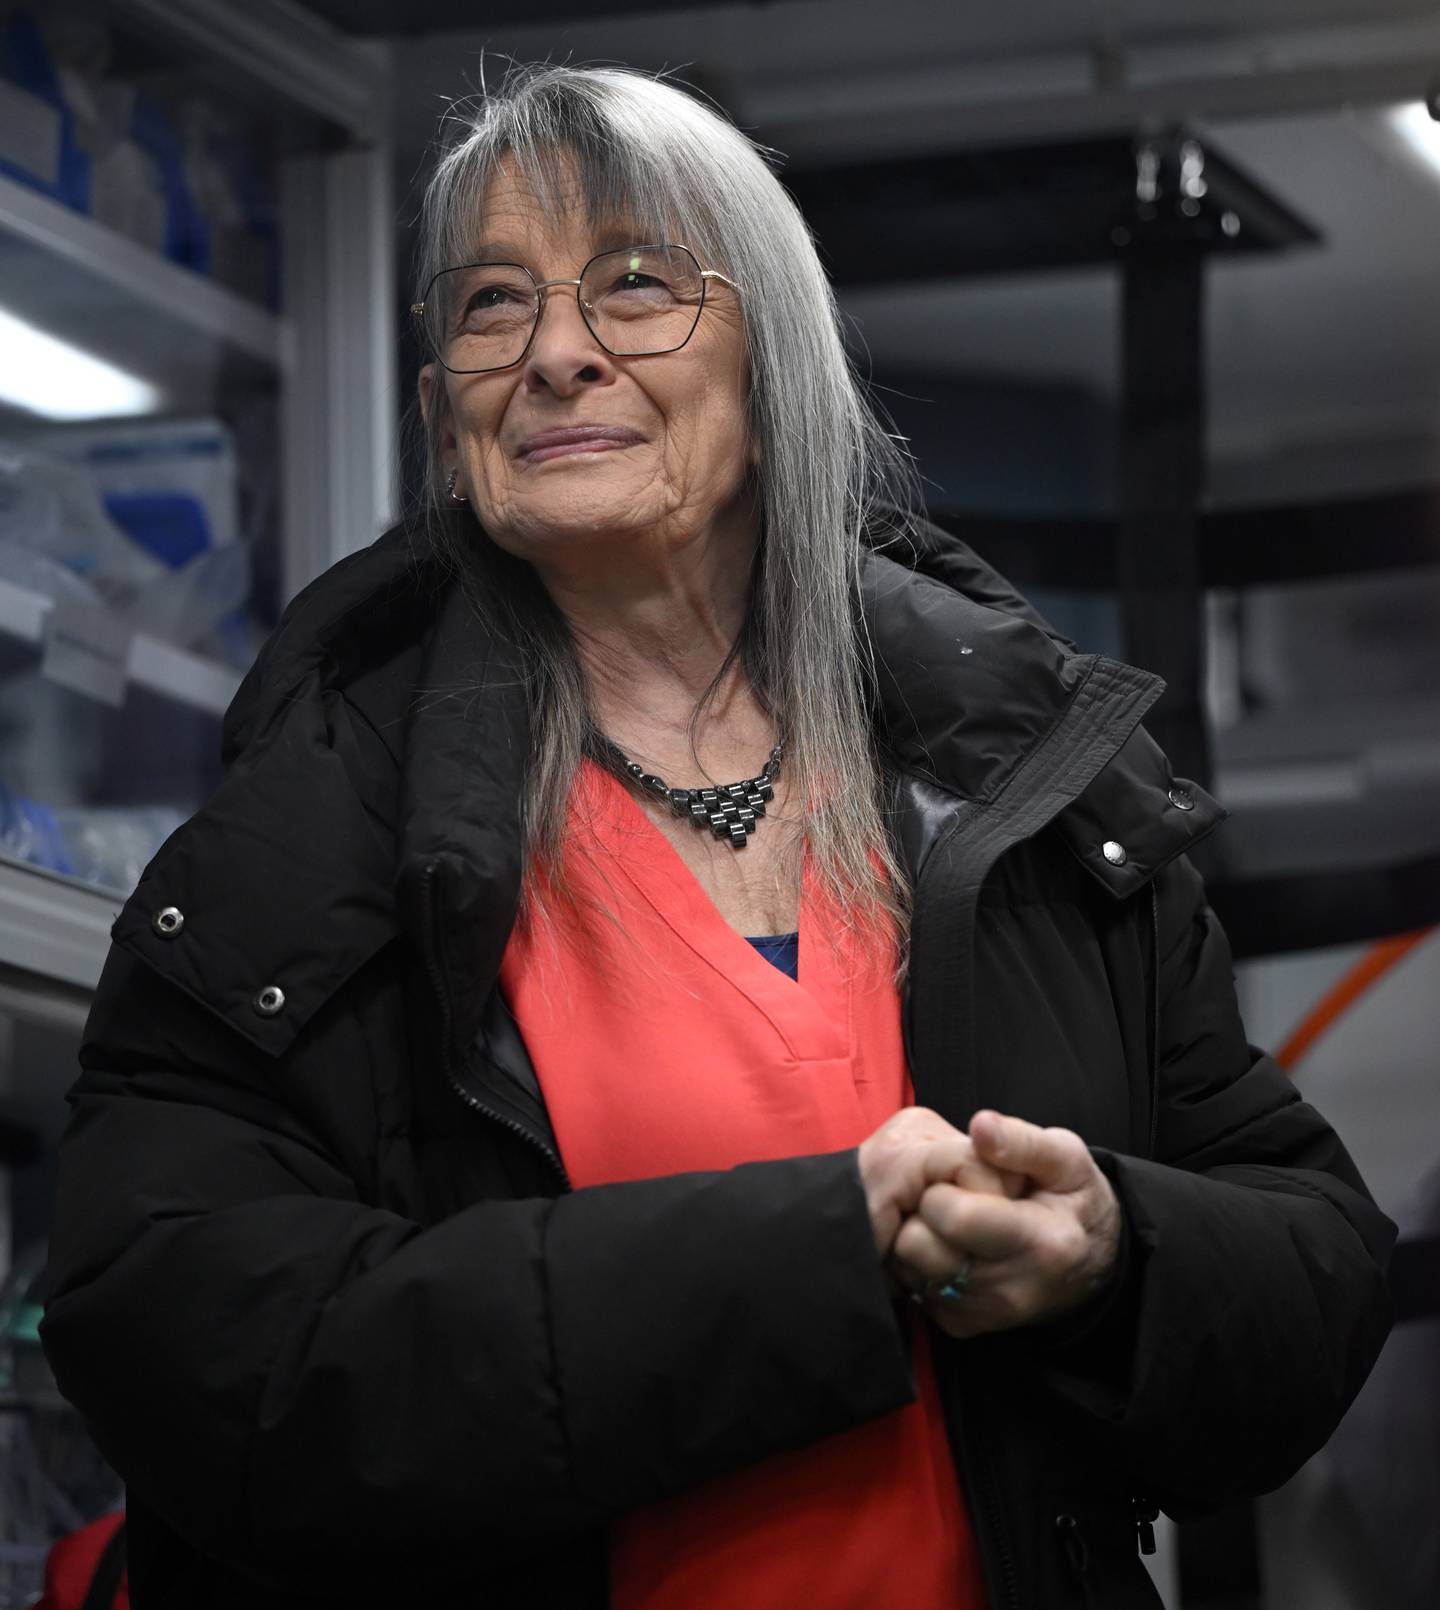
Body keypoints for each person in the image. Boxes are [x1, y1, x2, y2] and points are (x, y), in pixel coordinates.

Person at [39, 63, 1393, 1610]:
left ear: (773, 364)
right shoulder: (316, 828)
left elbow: (1318, 1263)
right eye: (492, 305)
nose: (555, 352)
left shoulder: (1030, 789)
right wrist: (813, 1259)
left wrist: (1113, 1258)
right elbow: (206, 1358)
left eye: (634, 285)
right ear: (440, 410)